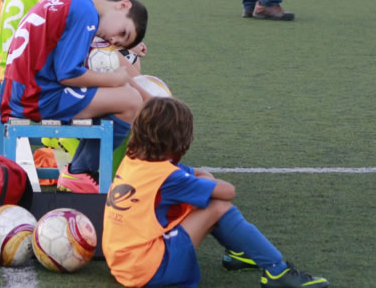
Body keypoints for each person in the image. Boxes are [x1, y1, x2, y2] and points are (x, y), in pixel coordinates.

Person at [102, 96, 329, 288]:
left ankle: (240, 253)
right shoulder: (168, 177)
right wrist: (208, 180)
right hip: (148, 270)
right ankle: (276, 270)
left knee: (202, 202)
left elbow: (190, 172)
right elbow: (228, 191)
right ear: (180, 138)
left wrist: (201, 179)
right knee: (217, 206)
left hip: (122, 264)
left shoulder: (133, 159)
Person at [0, 0, 148, 194]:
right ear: (123, 5)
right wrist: (115, 79)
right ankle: (80, 171)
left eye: (119, 43)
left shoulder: (75, 0)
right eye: (123, 33)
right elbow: (68, 74)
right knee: (130, 101)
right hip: (36, 96)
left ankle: (79, 172)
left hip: (26, 89)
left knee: (125, 94)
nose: (113, 39)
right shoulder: (86, 12)